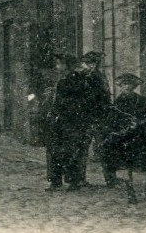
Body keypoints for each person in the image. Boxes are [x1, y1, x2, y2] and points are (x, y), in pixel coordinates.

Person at [98, 74, 146, 204]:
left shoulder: (141, 100)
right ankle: (130, 193)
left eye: (129, 85)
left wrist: (140, 123)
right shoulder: (118, 103)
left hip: (141, 137)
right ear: (120, 86)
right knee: (126, 166)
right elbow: (112, 120)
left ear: (134, 86)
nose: (126, 87)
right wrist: (120, 129)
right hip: (125, 138)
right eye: (123, 85)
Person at [40, 54, 79, 192]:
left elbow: (66, 102)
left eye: (59, 63)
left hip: (66, 120)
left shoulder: (69, 80)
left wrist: (56, 113)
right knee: (59, 150)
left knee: (63, 150)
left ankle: (67, 181)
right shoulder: (65, 79)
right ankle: (60, 181)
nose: (57, 66)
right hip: (64, 120)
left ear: (66, 65)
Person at [73, 51, 112, 187]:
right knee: (82, 149)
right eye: (89, 63)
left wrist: (106, 113)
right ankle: (79, 179)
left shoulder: (101, 77)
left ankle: (110, 179)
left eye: (94, 63)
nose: (92, 66)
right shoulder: (80, 77)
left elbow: (107, 96)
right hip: (84, 118)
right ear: (86, 64)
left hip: (99, 117)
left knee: (104, 149)